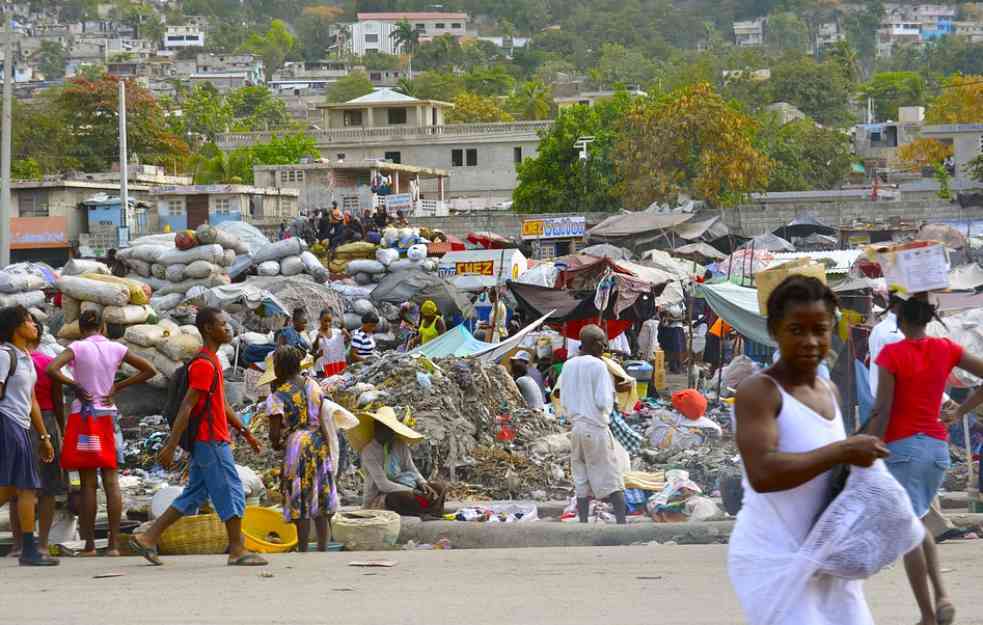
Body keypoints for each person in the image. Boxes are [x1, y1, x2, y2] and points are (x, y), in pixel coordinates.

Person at [729, 276, 889, 625]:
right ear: (774, 330)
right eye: (796, 330)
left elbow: (832, 473)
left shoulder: (828, 389)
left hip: (825, 555)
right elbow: (763, 474)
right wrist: (843, 451)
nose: (811, 341)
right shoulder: (759, 392)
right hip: (773, 555)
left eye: (820, 329)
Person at [868, 294, 983, 625]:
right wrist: (960, 410)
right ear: (927, 320)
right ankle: (940, 601)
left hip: (902, 450)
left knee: (909, 532)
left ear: (900, 321)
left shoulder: (892, 354)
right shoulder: (946, 348)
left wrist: (871, 443)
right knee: (916, 525)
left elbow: (882, 408)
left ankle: (929, 613)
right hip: (936, 450)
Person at [129, 307, 268, 566]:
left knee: (193, 494)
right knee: (231, 489)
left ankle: (148, 538)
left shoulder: (213, 360)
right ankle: (237, 549)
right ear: (207, 329)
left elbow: (222, 403)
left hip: (211, 439)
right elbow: (187, 406)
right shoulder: (204, 364)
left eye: (228, 324)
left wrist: (245, 432)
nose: (228, 328)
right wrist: (170, 445)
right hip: (210, 440)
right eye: (222, 324)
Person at [46, 309, 155, 556]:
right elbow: (149, 369)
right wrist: (118, 386)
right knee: (111, 481)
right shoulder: (116, 349)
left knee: (87, 484)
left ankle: (89, 545)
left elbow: (52, 369)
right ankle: (115, 545)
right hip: (108, 415)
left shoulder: (77, 347)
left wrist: (74, 385)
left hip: (84, 418)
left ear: (81, 329)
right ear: (104, 327)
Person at [0, 306, 58, 566]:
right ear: (16, 328)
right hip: (7, 423)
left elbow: (32, 399)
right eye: (28, 321)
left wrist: (44, 437)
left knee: (15, 487)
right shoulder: (4, 355)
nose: (34, 325)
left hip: (21, 426)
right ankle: (29, 550)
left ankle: (29, 549)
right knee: (25, 487)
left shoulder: (26, 357)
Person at [265, 346, 338, 552]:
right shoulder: (313, 385)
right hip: (318, 441)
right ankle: (323, 546)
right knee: (319, 492)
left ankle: (304, 548)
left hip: (296, 445)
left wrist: (277, 444)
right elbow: (323, 416)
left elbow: (274, 433)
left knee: (301, 496)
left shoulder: (277, 396)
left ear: (279, 367)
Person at [556, 324, 626, 525]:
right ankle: (622, 525)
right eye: (602, 342)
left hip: (576, 429)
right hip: (595, 429)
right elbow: (603, 401)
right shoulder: (598, 366)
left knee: (581, 479)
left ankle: (584, 523)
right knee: (612, 479)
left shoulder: (569, 365)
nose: (604, 346)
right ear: (594, 344)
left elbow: (564, 399)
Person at [357, 406, 446, 518]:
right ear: (377, 430)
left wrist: (423, 484)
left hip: (408, 486)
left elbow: (411, 468)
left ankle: (430, 510)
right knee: (404, 497)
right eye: (387, 429)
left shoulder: (399, 445)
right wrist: (413, 491)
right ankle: (426, 510)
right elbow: (383, 485)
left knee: (439, 488)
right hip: (383, 496)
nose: (391, 433)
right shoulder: (369, 452)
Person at [311, 309, 348, 377]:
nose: (327, 323)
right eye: (325, 321)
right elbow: (313, 349)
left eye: (329, 321)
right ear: (320, 320)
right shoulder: (314, 333)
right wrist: (317, 338)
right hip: (321, 369)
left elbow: (349, 341)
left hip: (336, 367)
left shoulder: (337, 332)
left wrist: (347, 334)